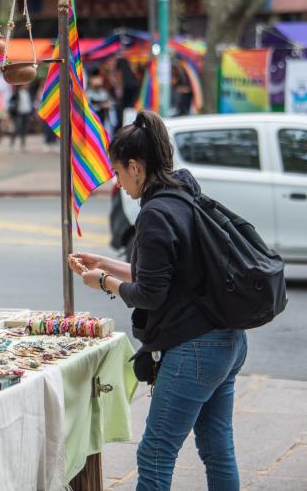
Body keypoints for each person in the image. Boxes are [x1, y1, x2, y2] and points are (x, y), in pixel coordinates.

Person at [68, 110, 248, 491]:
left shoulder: (154, 214)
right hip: (228, 339)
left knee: (154, 454)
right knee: (218, 448)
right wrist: (106, 264)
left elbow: (149, 294)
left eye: (117, 173)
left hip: (195, 348)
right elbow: (167, 275)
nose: (117, 184)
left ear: (135, 166)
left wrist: (102, 282)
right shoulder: (185, 194)